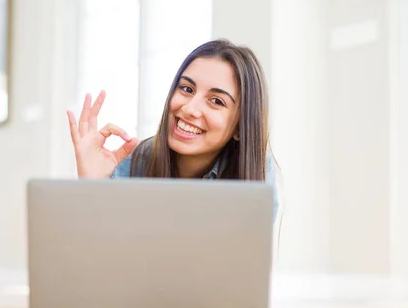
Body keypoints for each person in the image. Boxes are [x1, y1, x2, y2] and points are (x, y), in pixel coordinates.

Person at [67, 39, 280, 220]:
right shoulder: (137, 161)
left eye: (216, 101)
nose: (189, 108)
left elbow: (244, 264)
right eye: (187, 89)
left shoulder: (254, 170)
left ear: (240, 127)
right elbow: (101, 257)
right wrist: (92, 187)